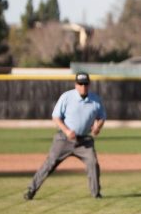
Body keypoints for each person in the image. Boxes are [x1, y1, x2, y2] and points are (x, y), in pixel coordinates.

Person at [24, 72, 107, 200]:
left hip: (84, 141)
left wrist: (98, 127)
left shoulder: (95, 100)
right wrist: (67, 131)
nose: (83, 86)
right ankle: (31, 189)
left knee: (93, 163)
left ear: (89, 84)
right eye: (80, 84)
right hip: (64, 139)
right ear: (76, 85)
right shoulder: (67, 97)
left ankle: (96, 194)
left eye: (85, 84)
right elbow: (56, 117)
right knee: (49, 164)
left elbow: (101, 117)